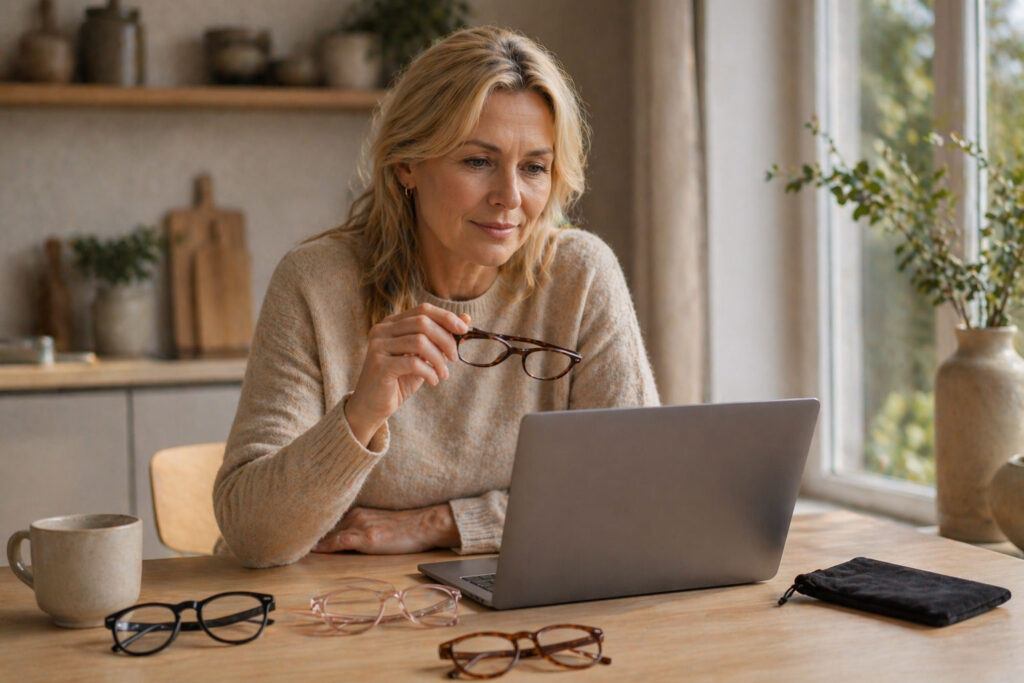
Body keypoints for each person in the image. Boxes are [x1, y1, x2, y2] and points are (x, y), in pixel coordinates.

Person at [214, 26, 660, 569]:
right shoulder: (315, 283)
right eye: (477, 161)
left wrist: (438, 525)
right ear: (407, 164)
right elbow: (254, 536)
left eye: (535, 167)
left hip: (510, 604)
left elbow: (633, 493)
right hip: (335, 615)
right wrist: (362, 412)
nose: (510, 197)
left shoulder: (581, 275)